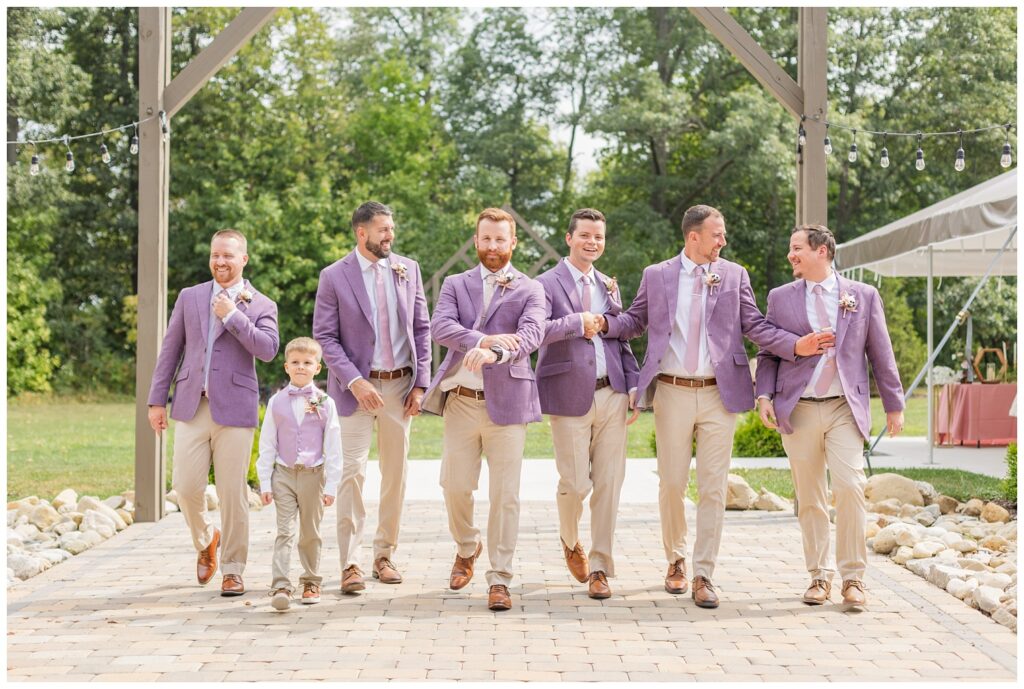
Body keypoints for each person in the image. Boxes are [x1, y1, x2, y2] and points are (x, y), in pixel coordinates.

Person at [602, 205, 831, 608]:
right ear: (693, 236)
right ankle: (675, 558)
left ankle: (703, 573)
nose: (723, 242)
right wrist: (601, 323)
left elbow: (755, 325)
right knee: (671, 483)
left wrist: (794, 346)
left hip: (719, 392)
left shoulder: (734, 274)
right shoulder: (656, 275)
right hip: (671, 390)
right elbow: (634, 322)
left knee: (712, 486)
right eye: (717, 235)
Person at [756, 224, 904, 610]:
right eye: (791, 249)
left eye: (797, 248)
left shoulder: (863, 295)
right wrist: (764, 394)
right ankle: (819, 577)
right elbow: (769, 352)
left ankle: (853, 579)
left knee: (851, 487)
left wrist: (894, 404)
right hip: (799, 407)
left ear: (822, 251)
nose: (791, 255)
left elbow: (880, 352)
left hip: (843, 406)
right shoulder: (780, 298)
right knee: (810, 497)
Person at [422, 207, 545, 611]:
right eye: (486, 239)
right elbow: (441, 326)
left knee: (505, 495)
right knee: (454, 486)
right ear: (476, 241)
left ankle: (501, 578)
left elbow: (530, 335)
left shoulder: (530, 289)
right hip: (461, 402)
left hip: (508, 403)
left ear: (513, 243)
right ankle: (467, 545)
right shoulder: (457, 284)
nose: (493, 247)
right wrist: (486, 341)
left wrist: (497, 353)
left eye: (500, 239)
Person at [147, 229, 280, 596]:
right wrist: (157, 400)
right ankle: (207, 539)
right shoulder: (190, 297)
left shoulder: (261, 304)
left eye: (228, 256)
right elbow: (170, 351)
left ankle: (234, 569)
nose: (220, 261)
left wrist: (234, 315)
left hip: (235, 408)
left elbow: (268, 349)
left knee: (232, 491)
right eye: (215, 255)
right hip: (191, 404)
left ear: (243, 260)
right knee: (185, 487)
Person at [313, 201, 431, 594]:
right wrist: (354, 382)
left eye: (392, 230)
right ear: (361, 233)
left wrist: (421, 384)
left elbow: (422, 329)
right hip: (355, 392)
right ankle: (350, 563)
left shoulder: (407, 269)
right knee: (351, 474)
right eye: (383, 230)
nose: (390, 236)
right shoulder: (334, 276)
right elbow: (325, 337)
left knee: (395, 475)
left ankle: (384, 555)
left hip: (400, 386)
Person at [534, 208, 640, 599]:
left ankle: (600, 567)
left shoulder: (609, 285)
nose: (592, 242)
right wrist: (578, 322)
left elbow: (622, 336)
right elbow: (536, 332)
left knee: (610, 484)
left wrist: (632, 386)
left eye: (598, 237)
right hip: (566, 394)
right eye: (585, 236)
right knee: (575, 483)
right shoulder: (543, 284)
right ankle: (569, 540)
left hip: (612, 392)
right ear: (569, 238)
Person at [257, 337, 342, 610]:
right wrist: (264, 481)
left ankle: (310, 580)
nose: (301, 367)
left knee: (310, 532)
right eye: (295, 362)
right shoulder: (276, 402)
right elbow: (267, 442)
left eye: (307, 362)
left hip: (313, 475)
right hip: (283, 474)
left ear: (318, 368)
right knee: (284, 531)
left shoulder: (325, 402)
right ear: (286, 367)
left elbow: (333, 445)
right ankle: (280, 585)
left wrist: (331, 486)